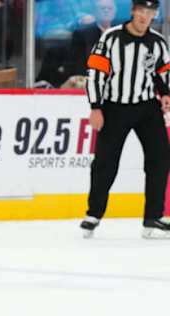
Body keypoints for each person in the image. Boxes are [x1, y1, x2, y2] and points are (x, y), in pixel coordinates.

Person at [80, 0, 170, 239]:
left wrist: (166, 95)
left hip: (147, 107)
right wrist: (96, 107)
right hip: (114, 107)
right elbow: (95, 73)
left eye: (150, 12)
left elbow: (162, 73)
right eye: (141, 11)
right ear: (132, 12)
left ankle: (153, 217)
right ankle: (94, 214)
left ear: (154, 15)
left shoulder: (158, 42)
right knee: (105, 162)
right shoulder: (110, 38)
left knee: (160, 158)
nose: (144, 16)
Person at [61, 0, 116, 89]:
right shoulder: (82, 35)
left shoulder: (122, 33)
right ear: (95, 12)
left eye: (109, 8)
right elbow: (76, 65)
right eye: (102, 8)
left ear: (114, 12)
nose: (106, 11)